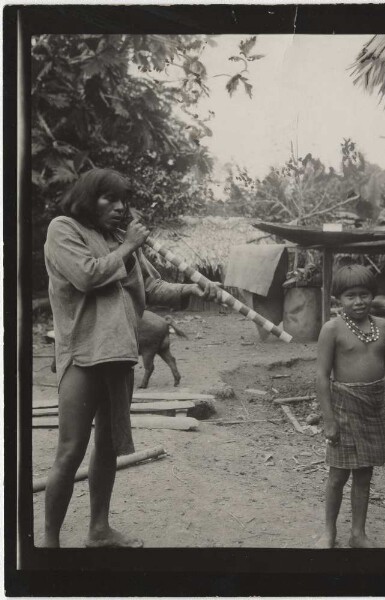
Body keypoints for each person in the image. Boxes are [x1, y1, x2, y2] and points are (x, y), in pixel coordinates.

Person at [43, 168, 220, 548]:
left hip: (120, 356)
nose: (121, 208)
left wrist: (196, 287)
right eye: (110, 199)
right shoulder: (64, 229)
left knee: (107, 446)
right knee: (71, 450)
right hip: (83, 356)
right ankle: (48, 542)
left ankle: (99, 530)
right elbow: (86, 276)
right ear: (88, 198)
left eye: (124, 200)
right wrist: (127, 248)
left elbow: (150, 286)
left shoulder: (118, 238)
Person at [315, 264, 385, 548]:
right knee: (337, 475)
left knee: (364, 473)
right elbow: (321, 376)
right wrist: (329, 419)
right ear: (337, 299)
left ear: (373, 295)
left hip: (373, 407)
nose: (359, 301)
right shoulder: (332, 329)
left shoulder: (382, 327)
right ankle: (329, 532)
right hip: (344, 407)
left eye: (364, 294)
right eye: (351, 296)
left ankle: (358, 533)